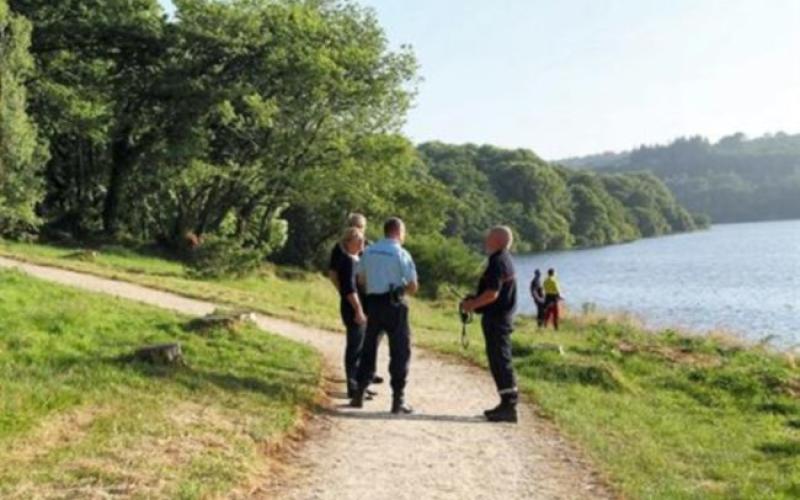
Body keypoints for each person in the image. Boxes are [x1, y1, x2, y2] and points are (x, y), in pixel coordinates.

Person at [350, 217, 419, 414]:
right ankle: (398, 400)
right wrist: (401, 290)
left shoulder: (369, 250)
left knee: (369, 348)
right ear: (398, 232)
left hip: (374, 304)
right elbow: (413, 286)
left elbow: (360, 279)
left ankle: (359, 393)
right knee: (400, 352)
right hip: (395, 305)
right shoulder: (401, 253)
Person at [461, 226, 519, 423]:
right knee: (499, 358)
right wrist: (475, 299)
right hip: (500, 317)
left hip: (497, 318)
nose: (485, 240)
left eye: (489, 237)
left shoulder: (497, 261)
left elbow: (493, 293)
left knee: (499, 359)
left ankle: (509, 404)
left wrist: (472, 305)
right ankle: (506, 402)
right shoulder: (505, 259)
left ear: (497, 240)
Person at [328, 213, 384, 386]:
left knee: (373, 335)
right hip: (354, 298)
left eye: (361, 226)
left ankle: (367, 371)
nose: (358, 229)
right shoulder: (341, 249)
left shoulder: (367, 246)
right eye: (355, 225)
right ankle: (355, 380)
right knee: (356, 340)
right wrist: (346, 294)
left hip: (368, 298)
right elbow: (334, 275)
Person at [336, 228, 368, 398]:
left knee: (360, 347)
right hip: (353, 308)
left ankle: (359, 384)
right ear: (348, 242)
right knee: (354, 347)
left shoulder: (357, 259)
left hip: (359, 308)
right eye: (358, 240)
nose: (362, 242)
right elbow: (349, 289)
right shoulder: (348, 261)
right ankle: (353, 386)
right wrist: (358, 309)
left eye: (362, 239)